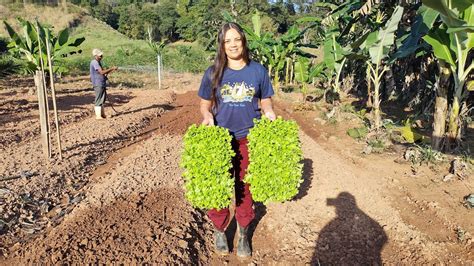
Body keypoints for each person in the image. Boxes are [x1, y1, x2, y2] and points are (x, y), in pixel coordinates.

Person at [198, 22, 276, 258]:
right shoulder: (213, 72)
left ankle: (243, 231)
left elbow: (265, 99)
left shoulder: (258, 71)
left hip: (248, 138)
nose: (233, 45)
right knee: (218, 189)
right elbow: (204, 104)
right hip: (220, 141)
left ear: (243, 41)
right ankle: (220, 229)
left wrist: (269, 111)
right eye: (227, 41)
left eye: (236, 39)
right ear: (222, 45)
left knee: (245, 188)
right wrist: (207, 116)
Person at [90, 48, 118, 119]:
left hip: (101, 83)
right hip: (98, 83)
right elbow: (101, 72)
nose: (101, 57)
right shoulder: (94, 62)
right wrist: (111, 68)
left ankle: (102, 115)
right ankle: (98, 116)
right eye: (100, 56)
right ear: (95, 56)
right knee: (99, 99)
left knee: (102, 99)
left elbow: (102, 72)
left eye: (101, 55)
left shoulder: (98, 62)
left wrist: (110, 71)